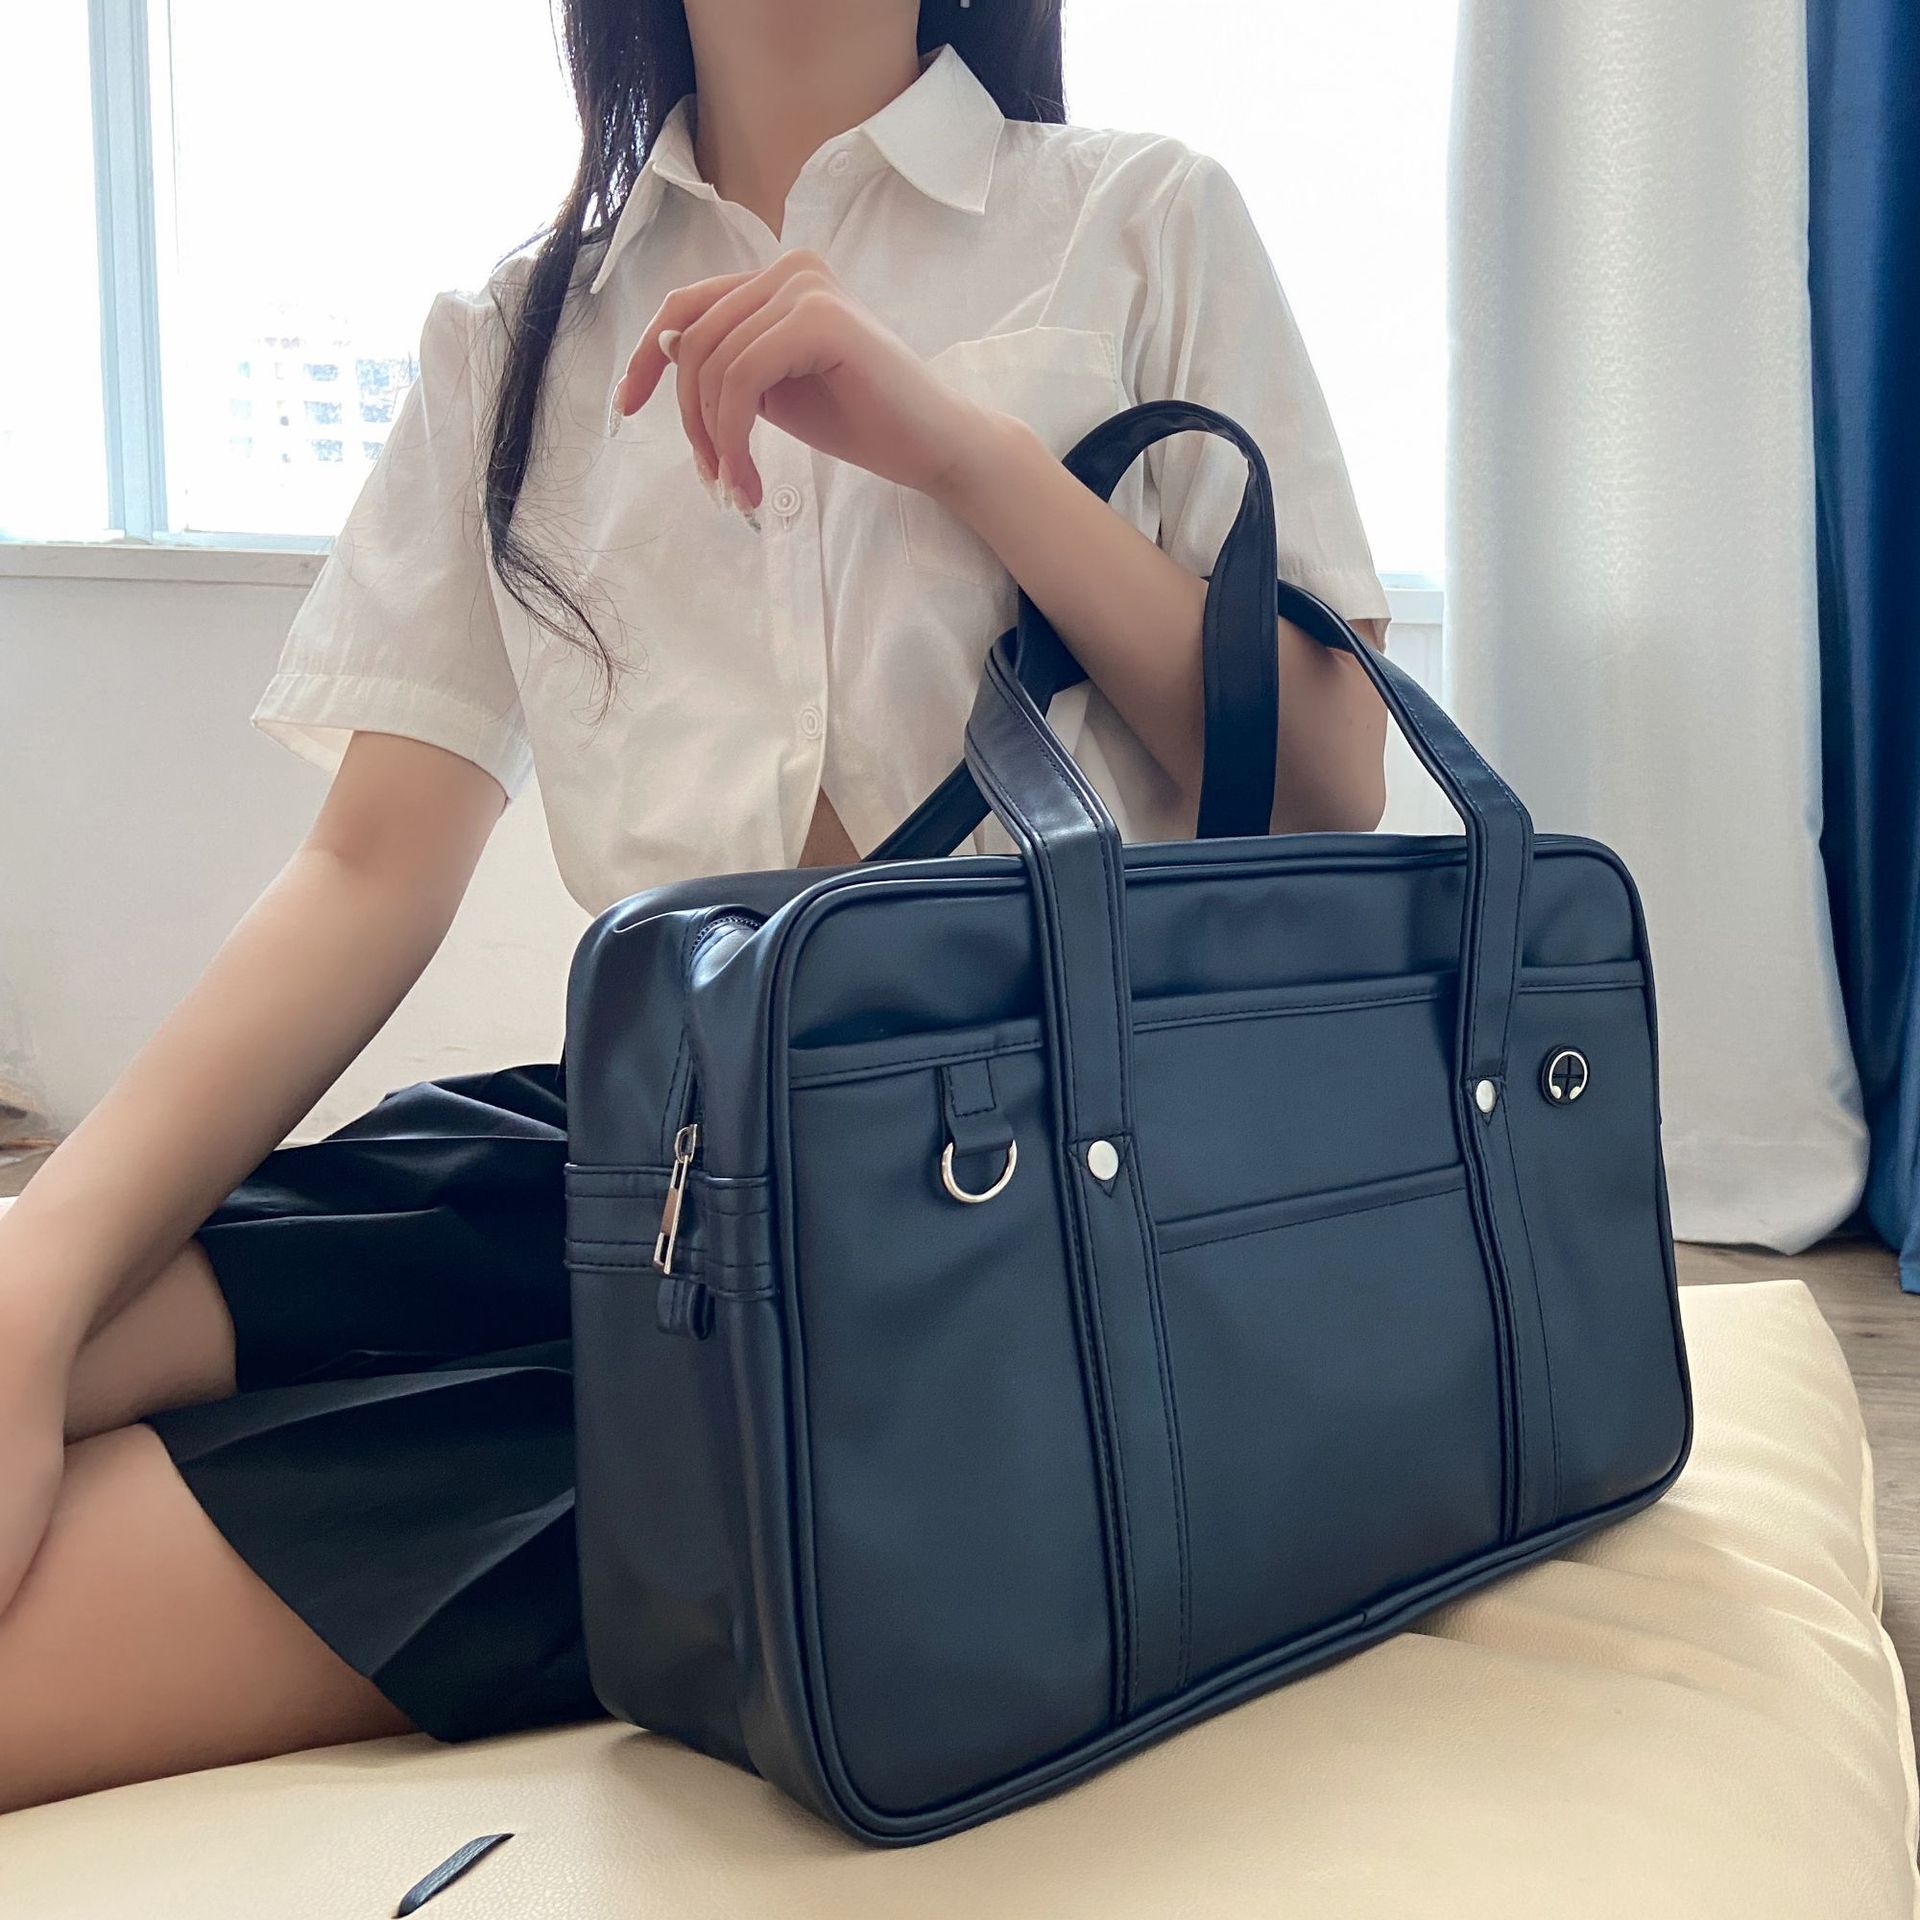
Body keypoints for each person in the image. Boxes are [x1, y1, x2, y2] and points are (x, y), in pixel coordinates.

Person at [0, 1, 1392, 1810]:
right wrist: (34, 1282)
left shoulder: (1136, 219)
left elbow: (1327, 779)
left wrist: (963, 452)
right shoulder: (517, 333)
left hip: (1027, 1213)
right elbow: (366, 868)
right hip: (650, 1147)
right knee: (72, 1301)